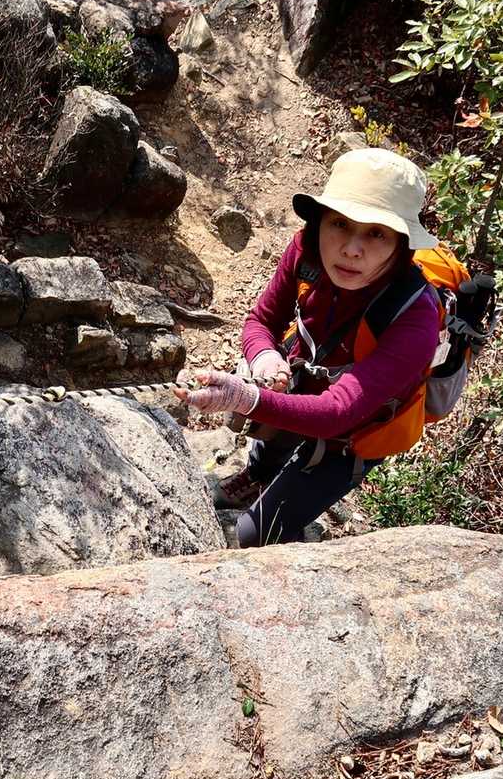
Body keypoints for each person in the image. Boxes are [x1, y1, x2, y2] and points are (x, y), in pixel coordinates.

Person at [174, 148, 443, 548]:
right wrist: (265, 357)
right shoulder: (306, 252)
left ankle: (294, 534)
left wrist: (246, 398)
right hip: (301, 379)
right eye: (340, 223)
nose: (351, 249)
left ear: (401, 244)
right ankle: (260, 476)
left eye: (376, 233)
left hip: (357, 432)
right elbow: (261, 320)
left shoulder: (416, 317)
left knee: (255, 535)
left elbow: (338, 413)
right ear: (320, 221)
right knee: (267, 449)